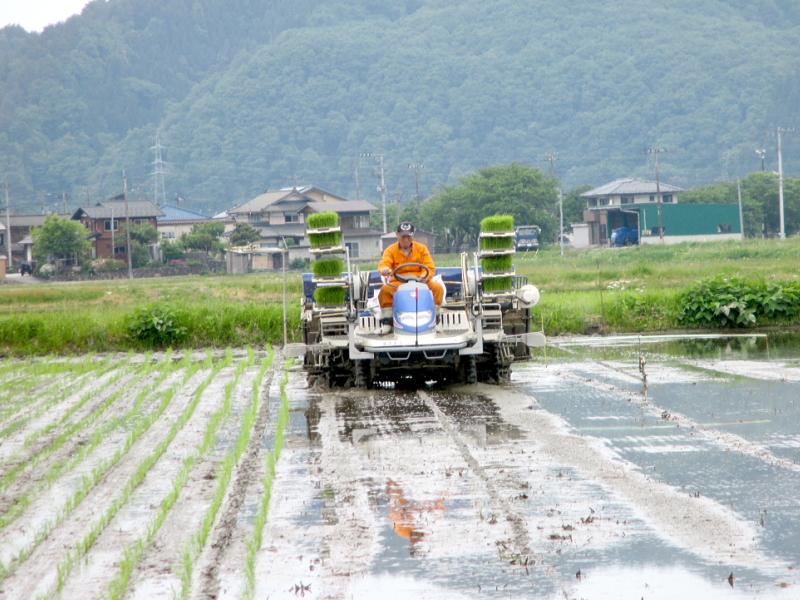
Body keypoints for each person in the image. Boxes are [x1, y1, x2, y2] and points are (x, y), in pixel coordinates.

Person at [376, 222, 444, 333]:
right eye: (403, 236)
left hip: (420, 281)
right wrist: (384, 269)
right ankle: (387, 323)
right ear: (397, 235)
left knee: (437, 288)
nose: (406, 239)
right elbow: (384, 263)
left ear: (413, 235)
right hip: (399, 282)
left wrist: (424, 276)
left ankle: (434, 321)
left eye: (409, 236)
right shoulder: (390, 250)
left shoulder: (421, 248)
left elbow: (429, 266)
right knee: (385, 290)